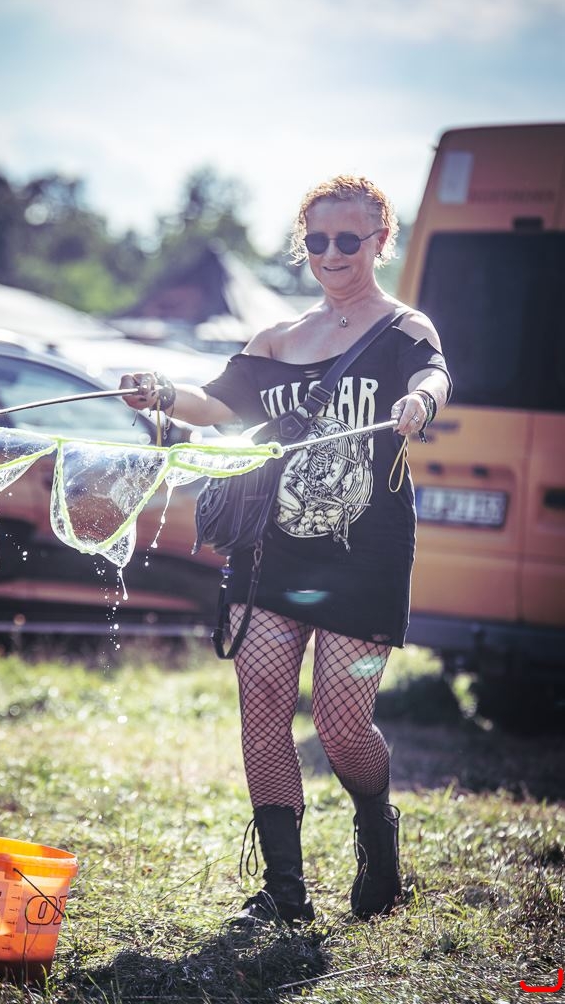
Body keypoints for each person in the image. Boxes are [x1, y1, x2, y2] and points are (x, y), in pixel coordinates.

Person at [121, 174, 451, 928]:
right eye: (317, 239)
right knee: (263, 703)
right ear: (303, 244)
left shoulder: (403, 329)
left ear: (379, 242)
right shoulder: (276, 337)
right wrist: (162, 393)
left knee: (340, 724)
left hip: (364, 556)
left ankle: (376, 826)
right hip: (270, 554)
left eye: (348, 239)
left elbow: (434, 372)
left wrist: (421, 400)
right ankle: (283, 889)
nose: (331, 253)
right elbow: (215, 403)